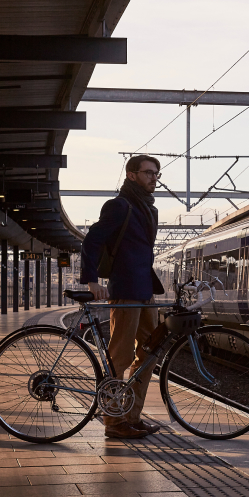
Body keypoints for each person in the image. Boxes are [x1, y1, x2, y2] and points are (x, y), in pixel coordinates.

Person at [80, 154, 164, 439]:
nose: (155, 178)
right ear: (131, 175)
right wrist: (92, 281)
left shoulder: (149, 209)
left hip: (145, 291)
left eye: (157, 173)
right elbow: (92, 241)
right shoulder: (119, 206)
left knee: (151, 351)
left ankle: (132, 415)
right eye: (149, 173)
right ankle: (114, 421)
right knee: (121, 355)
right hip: (126, 290)